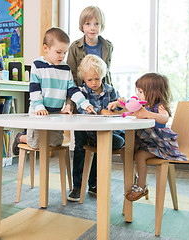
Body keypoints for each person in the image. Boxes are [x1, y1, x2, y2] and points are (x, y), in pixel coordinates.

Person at [12, 27, 95, 155]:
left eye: (65, 53)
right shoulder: (37, 65)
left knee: (56, 142)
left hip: (56, 113)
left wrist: (85, 104)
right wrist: (39, 106)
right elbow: (34, 90)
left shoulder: (65, 68)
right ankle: (20, 137)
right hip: (38, 111)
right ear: (46, 48)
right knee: (35, 143)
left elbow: (72, 90)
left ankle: (28, 136)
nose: (62, 56)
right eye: (58, 52)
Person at [66, 6, 114, 201]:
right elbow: (71, 79)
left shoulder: (107, 46)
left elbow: (107, 74)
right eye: (88, 23)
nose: (92, 27)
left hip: (102, 102)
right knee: (79, 147)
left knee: (100, 144)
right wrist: (70, 103)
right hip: (81, 101)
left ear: (101, 26)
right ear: (82, 26)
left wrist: (113, 100)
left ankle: (93, 184)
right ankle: (77, 186)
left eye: (96, 23)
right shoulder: (74, 47)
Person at [118, 73, 188, 202]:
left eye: (140, 91)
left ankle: (141, 185)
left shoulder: (159, 106)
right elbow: (128, 109)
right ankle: (131, 176)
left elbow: (164, 117)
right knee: (124, 150)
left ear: (152, 92)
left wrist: (148, 114)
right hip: (145, 141)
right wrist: (121, 104)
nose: (137, 94)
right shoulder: (142, 106)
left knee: (140, 156)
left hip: (158, 143)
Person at [67, 54, 125, 201]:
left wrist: (120, 104)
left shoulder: (110, 90)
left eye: (97, 79)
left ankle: (93, 184)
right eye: (89, 80)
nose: (93, 83)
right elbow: (81, 108)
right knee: (79, 151)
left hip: (102, 132)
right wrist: (101, 111)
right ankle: (77, 186)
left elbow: (120, 108)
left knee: (115, 142)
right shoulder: (81, 91)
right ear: (84, 79)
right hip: (85, 131)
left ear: (102, 75)